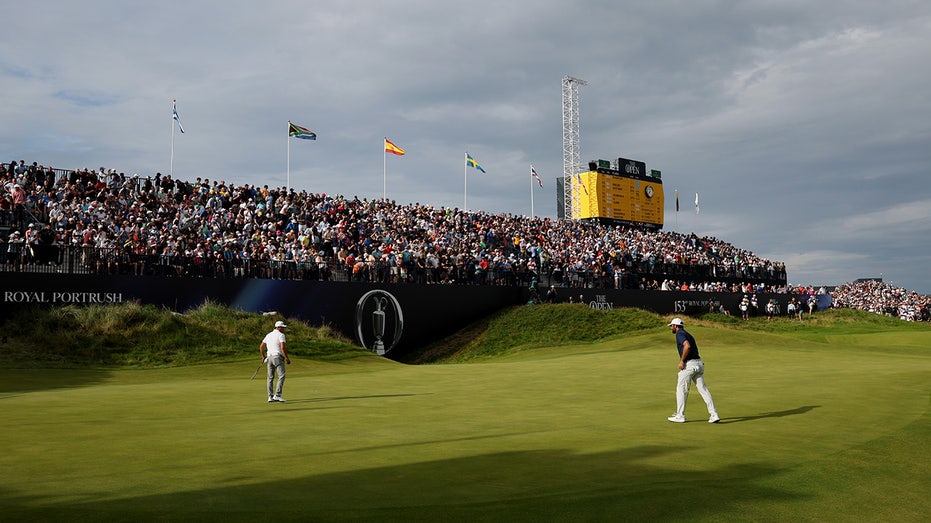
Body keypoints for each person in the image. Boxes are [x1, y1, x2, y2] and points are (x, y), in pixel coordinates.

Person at [666, 317, 720, 423]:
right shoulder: (688, 334)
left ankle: (680, 415)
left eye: (671, 326)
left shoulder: (679, 334)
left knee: (681, 390)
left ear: (675, 326)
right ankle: (714, 414)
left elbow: (687, 346)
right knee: (703, 390)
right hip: (699, 364)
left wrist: (682, 361)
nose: (671, 328)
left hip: (689, 365)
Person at [259, 320, 291, 402]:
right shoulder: (281, 335)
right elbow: (283, 348)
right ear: (278, 327)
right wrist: (287, 358)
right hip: (277, 357)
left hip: (269, 357)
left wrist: (263, 356)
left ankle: (270, 397)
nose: (284, 329)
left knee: (270, 377)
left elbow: (261, 347)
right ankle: (277, 395)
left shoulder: (268, 335)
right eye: (283, 327)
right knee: (282, 376)